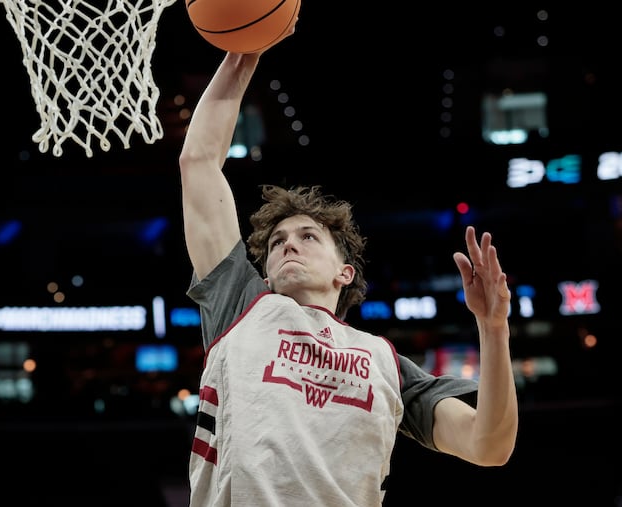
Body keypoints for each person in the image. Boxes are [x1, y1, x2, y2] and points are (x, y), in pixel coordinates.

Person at [177, 50, 519, 506]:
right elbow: (198, 161)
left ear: (345, 272)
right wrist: (245, 53)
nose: (288, 244)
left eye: (307, 236)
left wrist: (494, 331)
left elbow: (489, 445)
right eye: (277, 241)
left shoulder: (384, 361)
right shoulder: (241, 306)